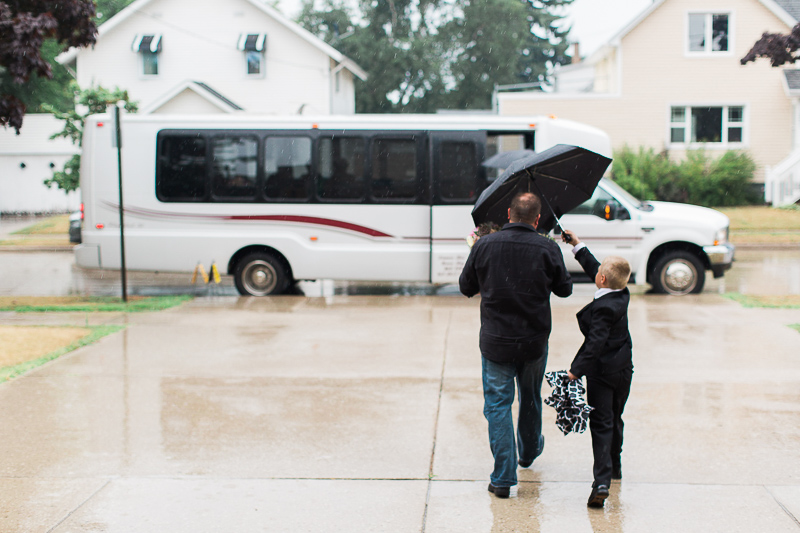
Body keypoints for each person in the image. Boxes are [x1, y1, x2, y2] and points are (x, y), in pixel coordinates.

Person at [459, 192, 573, 499]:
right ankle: (529, 451)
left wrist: (481, 261)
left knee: (497, 406)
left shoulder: (484, 245)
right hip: (534, 341)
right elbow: (564, 290)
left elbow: (465, 287)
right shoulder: (547, 248)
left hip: (496, 342)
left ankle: (503, 478)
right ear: (537, 219)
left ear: (509, 213)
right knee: (530, 397)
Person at [561, 229, 633, 509]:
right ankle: (615, 466)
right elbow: (597, 269)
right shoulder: (620, 291)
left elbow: (595, 343)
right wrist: (576, 245)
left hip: (602, 373)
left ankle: (601, 483)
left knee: (601, 424)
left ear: (602, 279)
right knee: (616, 417)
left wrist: (575, 371)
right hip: (624, 369)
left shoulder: (603, 308)